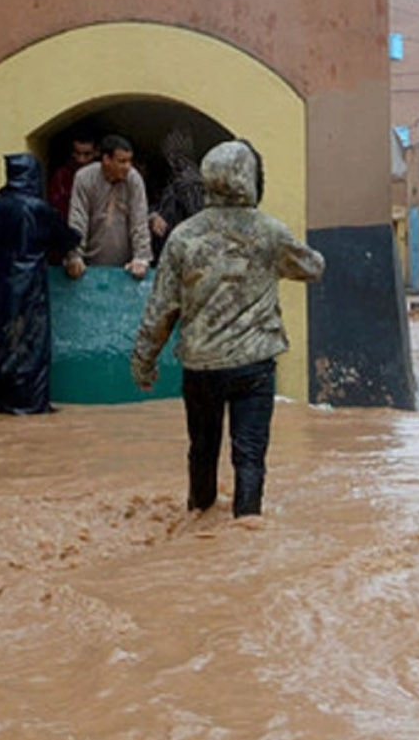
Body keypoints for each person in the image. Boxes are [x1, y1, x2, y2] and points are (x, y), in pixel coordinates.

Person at [131, 141, 326, 517]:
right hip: (253, 366)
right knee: (249, 456)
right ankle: (246, 528)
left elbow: (162, 309)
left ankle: (198, 520)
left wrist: (144, 361)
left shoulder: (184, 236)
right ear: (250, 179)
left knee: (202, 451)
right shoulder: (270, 232)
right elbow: (313, 268)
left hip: (200, 366)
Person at [0, 154, 82, 415]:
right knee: (30, 346)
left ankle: (0, 402)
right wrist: (72, 252)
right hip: (27, 292)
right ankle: (30, 405)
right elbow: (66, 237)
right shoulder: (37, 208)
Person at [64, 134, 153, 281]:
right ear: (106, 159)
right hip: (88, 266)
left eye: (129, 161)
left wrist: (141, 258)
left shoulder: (133, 179)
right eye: (122, 161)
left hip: (125, 269)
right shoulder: (84, 178)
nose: (128, 166)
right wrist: (74, 256)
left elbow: (139, 220)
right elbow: (77, 219)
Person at [149, 127, 205, 257]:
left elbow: (196, 218)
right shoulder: (174, 177)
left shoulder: (189, 182)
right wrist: (153, 216)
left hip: (181, 250)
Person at [46, 134, 98, 219]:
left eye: (87, 154)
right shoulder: (61, 176)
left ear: (96, 152)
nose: (81, 159)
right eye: (77, 153)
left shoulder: (104, 175)